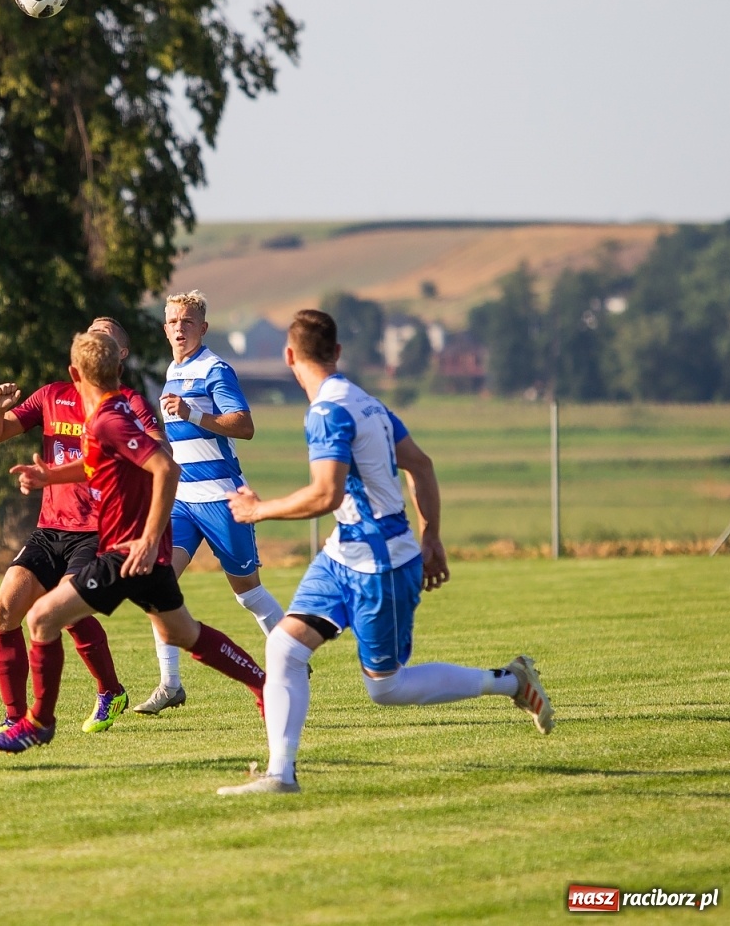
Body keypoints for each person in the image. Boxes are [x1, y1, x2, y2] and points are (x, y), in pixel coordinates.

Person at [216, 309, 554, 796]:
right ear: (336, 353)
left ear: (289, 356)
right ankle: (280, 773)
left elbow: (325, 494)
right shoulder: (367, 402)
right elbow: (421, 464)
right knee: (285, 646)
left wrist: (258, 510)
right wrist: (432, 535)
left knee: (386, 688)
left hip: (381, 565)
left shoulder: (328, 412)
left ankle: (511, 682)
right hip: (342, 555)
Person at [0, 331, 266, 753]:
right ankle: (264, 684)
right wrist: (51, 476)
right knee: (184, 633)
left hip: (127, 551)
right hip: (144, 555)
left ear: (74, 374)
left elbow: (165, 469)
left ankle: (38, 723)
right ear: (117, 369)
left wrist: (150, 538)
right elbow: (98, 464)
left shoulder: (107, 418)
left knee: (42, 617)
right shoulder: (113, 408)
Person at [0, 318, 157, 737]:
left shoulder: (127, 403)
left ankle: (107, 692)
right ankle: (14, 717)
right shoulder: (52, 396)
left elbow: (155, 451)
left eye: (106, 334)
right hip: (50, 528)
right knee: (3, 611)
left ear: (120, 355)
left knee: (62, 612)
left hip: (98, 530)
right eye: (90, 332)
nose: (95, 336)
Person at [135, 292, 284, 716]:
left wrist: (193, 414)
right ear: (164, 328)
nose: (179, 327)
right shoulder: (171, 371)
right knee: (156, 587)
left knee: (249, 593)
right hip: (182, 501)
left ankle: (291, 657)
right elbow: (180, 437)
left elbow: (245, 425)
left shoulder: (216, 369)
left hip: (223, 498)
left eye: (187, 320)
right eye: (171, 321)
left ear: (203, 327)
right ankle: (170, 684)